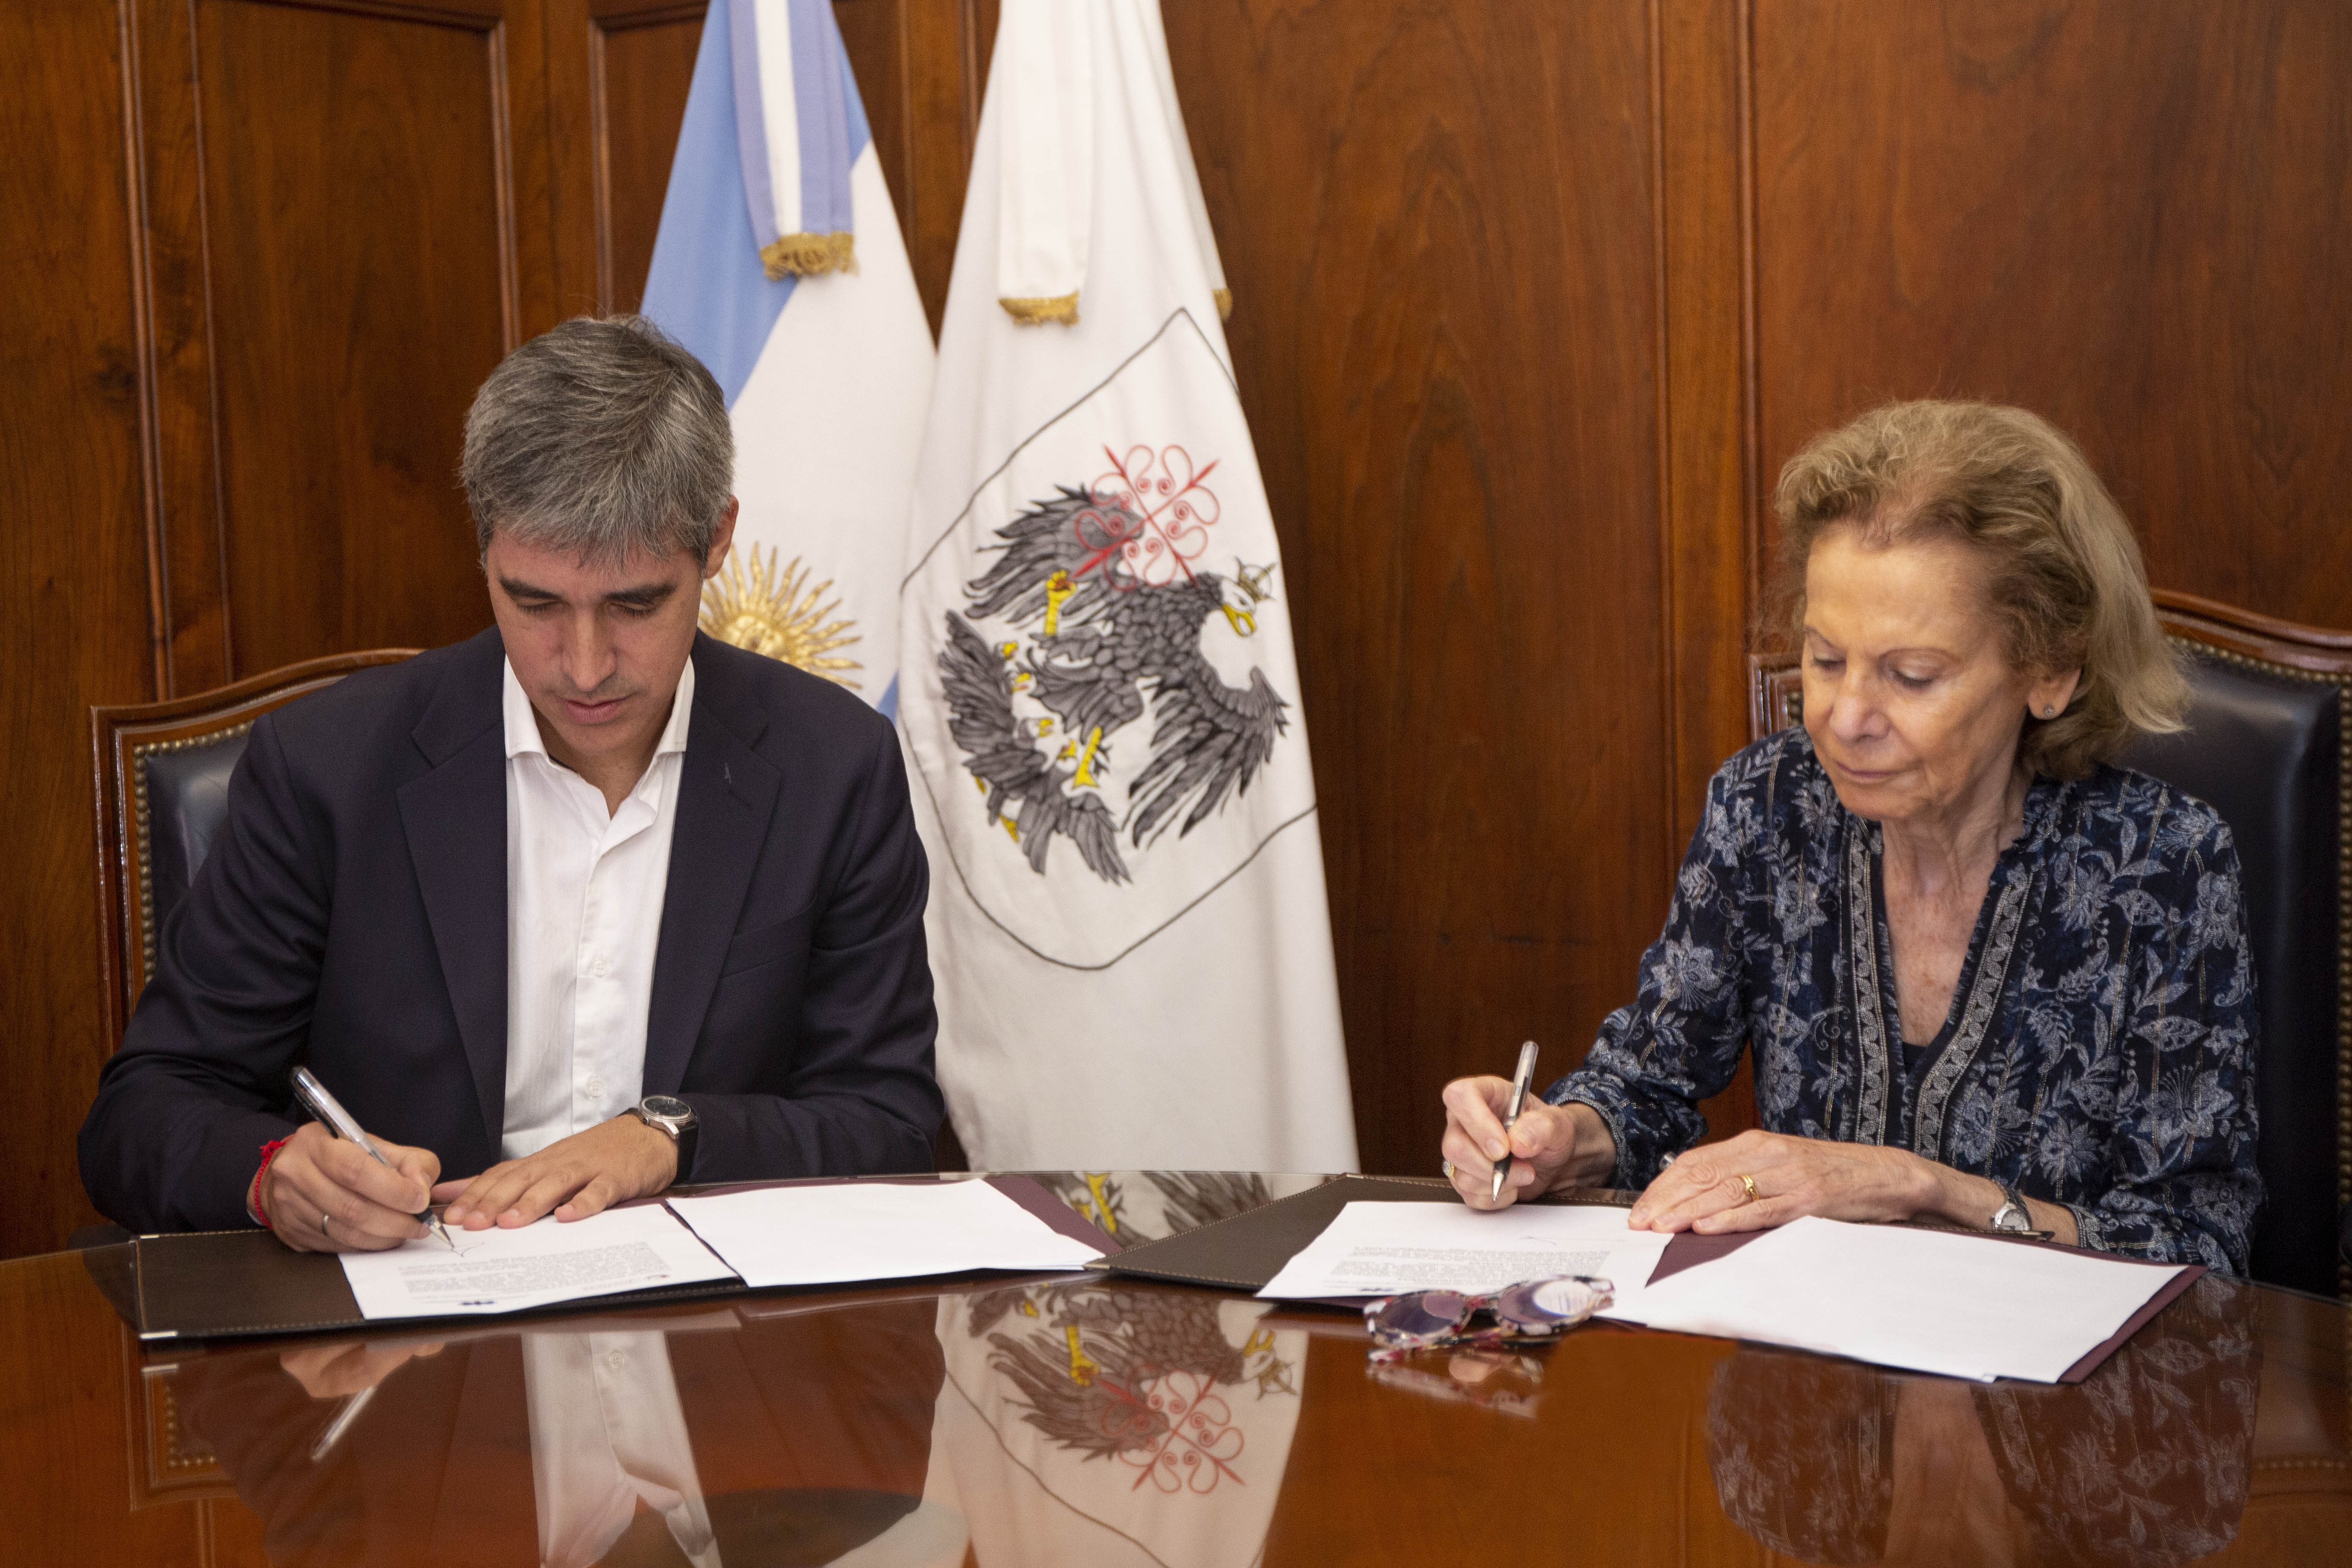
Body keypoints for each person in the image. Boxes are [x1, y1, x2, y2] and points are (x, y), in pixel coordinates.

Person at [80, 315, 942, 1248]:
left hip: (714, 1348)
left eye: (635, 604)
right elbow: (144, 1111)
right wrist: (272, 1177)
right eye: (534, 603)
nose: (582, 664)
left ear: (719, 538)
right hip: (412, 1344)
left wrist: (670, 1138)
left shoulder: (833, 767)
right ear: (485, 546)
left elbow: (888, 1122)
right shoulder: (326, 769)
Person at [1440, 399, 2261, 1271]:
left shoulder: (2166, 865)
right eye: (1825, 659)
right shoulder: (1767, 806)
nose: (1844, 717)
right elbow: (1646, 1083)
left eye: (1911, 675)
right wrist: (1559, 1136)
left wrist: (1922, 1186)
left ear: (2049, 672)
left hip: (2048, 1394)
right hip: (1805, 1372)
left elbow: (2199, 1242)